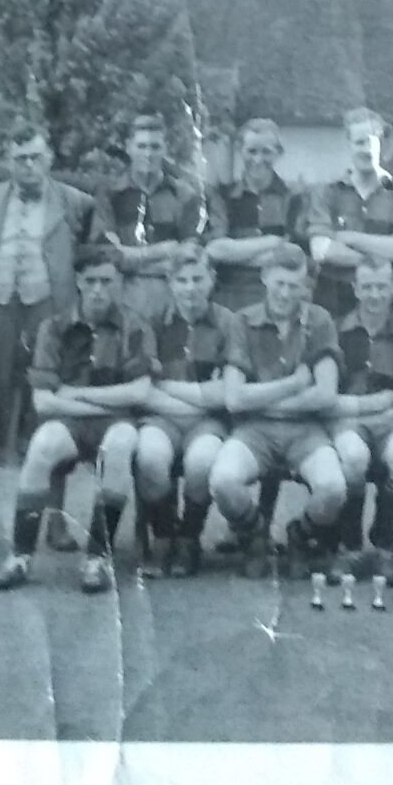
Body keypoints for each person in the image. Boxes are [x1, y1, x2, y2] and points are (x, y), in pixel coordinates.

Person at [0, 127, 96, 551]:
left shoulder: (76, 203)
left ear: (50, 158)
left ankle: (56, 526)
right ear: (9, 160)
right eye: (20, 157)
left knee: (50, 417)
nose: (28, 166)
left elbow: (91, 258)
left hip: (49, 318)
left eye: (36, 157)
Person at [0, 244, 153, 595]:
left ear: (120, 283)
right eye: (91, 281)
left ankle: (97, 558)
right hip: (73, 423)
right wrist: (110, 402)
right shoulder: (55, 328)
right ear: (78, 281)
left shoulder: (135, 327)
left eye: (107, 281)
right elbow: (44, 402)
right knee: (43, 445)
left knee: (121, 444)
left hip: (114, 424)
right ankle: (20, 555)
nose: (99, 290)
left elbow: (140, 393)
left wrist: (76, 395)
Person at [212, 244, 348, 575]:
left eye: (294, 286)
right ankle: (255, 532)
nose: (286, 294)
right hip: (254, 431)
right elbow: (233, 398)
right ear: (265, 278)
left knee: (333, 488)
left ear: (304, 286)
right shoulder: (243, 320)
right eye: (279, 284)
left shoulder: (319, 320)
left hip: (306, 431)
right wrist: (295, 384)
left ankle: (298, 536)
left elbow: (326, 394)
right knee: (223, 481)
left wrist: (261, 398)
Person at [132, 243, 247, 577]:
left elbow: (226, 393)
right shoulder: (152, 323)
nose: (191, 288)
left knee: (202, 461)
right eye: (182, 280)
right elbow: (143, 392)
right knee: (151, 456)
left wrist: (166, 387)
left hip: (209, 424)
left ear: (212, 280)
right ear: (170, 283)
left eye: (198, 279)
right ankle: (164, 535)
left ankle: (189, 537)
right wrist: (200, 394)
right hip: (160, 419)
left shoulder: (230, 323)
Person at [329, 255, 393, 576]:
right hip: (346, 423)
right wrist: (369, 407)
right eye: (367, 287)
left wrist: (369, 408)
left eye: (381, 287)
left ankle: (385, 544)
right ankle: (350, 546)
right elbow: (330, 398)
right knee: (353, 457)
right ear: (355, 289)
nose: (374, 295)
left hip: (392, 423)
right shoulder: (337, 332)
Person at [307, 107, 393, 319]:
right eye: (360, 142)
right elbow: (322, 250)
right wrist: (380, 255)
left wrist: (347, 237)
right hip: (333, 304)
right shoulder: (325, 194)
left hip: (386, 308)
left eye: (374, 142)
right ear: (348, 144)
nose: (367, 150)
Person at [108, 110, 206, 323]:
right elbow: (110, 256)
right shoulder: (110, 194)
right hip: (123, 297)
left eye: (155, 147)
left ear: (165, 148)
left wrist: (131, 258)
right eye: (141, 146)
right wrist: (163, 251)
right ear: (128, 147)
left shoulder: (184, 195)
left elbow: (189, 256)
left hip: (172, 300)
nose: (148, 154)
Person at [206, 117, 308, 313]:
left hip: (279, 296)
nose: (258, 160)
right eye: (252, 151)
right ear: (240, 150)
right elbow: (215, 249)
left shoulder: (293, 197)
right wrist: (272, 241)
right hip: (229, 296)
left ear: (279, 153)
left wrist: (236, 253)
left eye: (266, 152)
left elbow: (296, 253)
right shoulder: (223, 196)